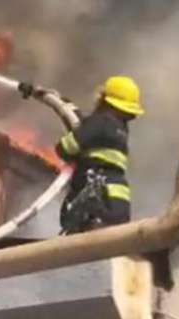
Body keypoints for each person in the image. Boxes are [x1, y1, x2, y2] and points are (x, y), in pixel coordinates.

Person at [56, 76, 144, 234]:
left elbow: (64, 148)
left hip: (96, 203)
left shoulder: (100, 122)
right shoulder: (120, 130)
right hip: (118, 203)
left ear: (104, 100)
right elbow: (92, 133)